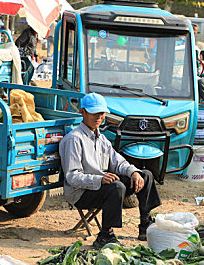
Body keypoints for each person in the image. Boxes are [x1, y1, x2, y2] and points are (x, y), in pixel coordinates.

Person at [59, 93, 162, 248]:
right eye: (94, 113)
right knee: (116, 187)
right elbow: (72, 176)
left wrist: (134, 172)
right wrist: (99, 179)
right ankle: (105, 235)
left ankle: (145, 223)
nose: (99, 117)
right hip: (80, 192)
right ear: (83, 112)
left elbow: (118, 162)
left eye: (101, 113)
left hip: (101, 185)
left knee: (145, 175)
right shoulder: (74, 139)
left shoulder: (101, 138)